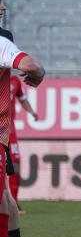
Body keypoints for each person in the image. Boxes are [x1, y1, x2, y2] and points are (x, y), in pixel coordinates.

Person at [0, 34, 43, 237]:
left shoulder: (14, 79)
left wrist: (33, 113)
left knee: (5, 195)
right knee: (3, 196)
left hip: (5, 135)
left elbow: (29, 69)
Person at [8, 75, 38, 207]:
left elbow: (22, 98)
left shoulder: (15, 80)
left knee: (15, 164)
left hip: (9, 130)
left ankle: (14, 202)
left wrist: (32, 112)